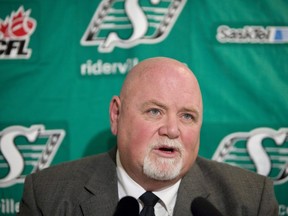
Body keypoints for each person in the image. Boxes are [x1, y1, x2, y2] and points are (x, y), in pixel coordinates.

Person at [18, 57, 278, 216]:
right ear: (116, 115)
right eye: (155, 111)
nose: (172, 130)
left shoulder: (250, 201)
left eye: (187, 116)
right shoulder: (47, 196)